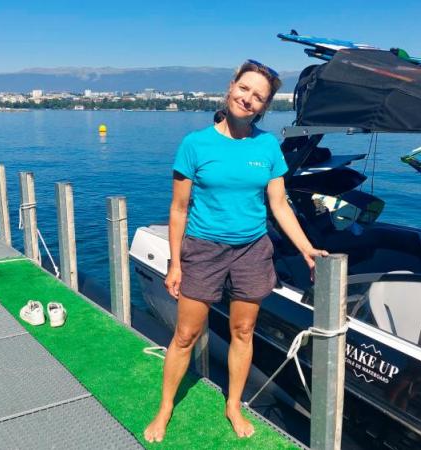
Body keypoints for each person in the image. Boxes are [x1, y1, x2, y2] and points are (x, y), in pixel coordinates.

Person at [143, 60, 327, 443]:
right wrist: (175, 264)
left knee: (243, 331)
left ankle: (234, 404)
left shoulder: (267, 146)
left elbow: (279, 204)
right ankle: (165, 408)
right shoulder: (195, 144)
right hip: (203, 249)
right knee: (185, 335)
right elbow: (178, 209)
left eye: (258, 96)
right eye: (245, 89)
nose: (248, 99)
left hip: (251, 251)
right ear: (231, 87)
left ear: (264, 107)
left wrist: (307, 248)